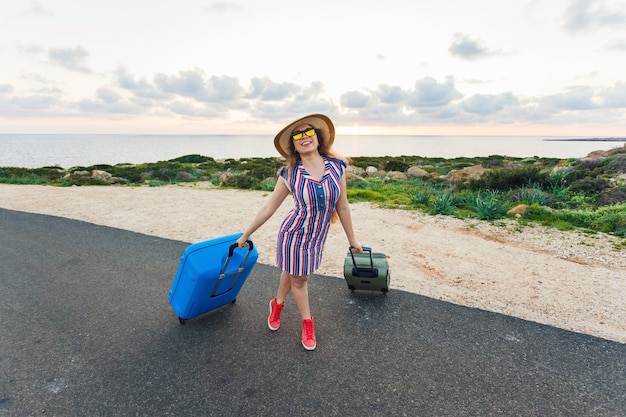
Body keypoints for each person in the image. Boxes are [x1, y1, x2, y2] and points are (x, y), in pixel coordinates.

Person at [236, 114, 363, 351]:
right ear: (293, 145)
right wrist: (245, 235)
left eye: (308, 131)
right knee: (300, 278)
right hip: (293, 234)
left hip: (317, 237)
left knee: (294, 271)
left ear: (317, 136)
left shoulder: (337, 167)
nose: (304, 137)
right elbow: (268, 208)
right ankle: (307, 322)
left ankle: (277, 303)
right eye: (297, 135)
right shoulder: (289, 174)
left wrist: (352, 239)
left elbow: (342, 206)